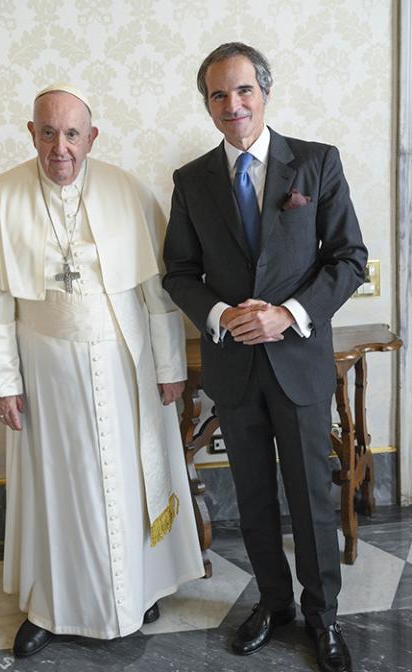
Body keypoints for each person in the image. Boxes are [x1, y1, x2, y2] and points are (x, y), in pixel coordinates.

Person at [0, 83, 204, 658]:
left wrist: (169, 367)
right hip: (45, 368)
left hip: (124, 362)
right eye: (47, 132)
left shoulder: (127, 191)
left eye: (71, 134)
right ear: (30, 132)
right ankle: (50, 608)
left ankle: (139, 590)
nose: (59, 147)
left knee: (133, 474)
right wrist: (3, 382)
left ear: (92, 137)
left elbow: (156, 294)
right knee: (55, 487)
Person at [163, 43, 367, 672]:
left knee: (309, 495)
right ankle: (273, 603)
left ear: (265, 93)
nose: (233, 105)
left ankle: (322, 616)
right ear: (207, 104)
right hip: (235, 366)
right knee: (251, 497)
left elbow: (349, 259)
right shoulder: (191, 179)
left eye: (243, 90)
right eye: (219, 95)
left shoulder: (316, 163)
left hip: (300, 362)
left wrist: (288, 314)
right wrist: (224, 316)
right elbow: (180, 272)